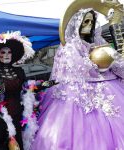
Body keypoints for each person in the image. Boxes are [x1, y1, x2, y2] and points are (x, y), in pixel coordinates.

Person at [30, 8, 124, 150]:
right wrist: (96, 64)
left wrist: (110, 61)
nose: (89, 25)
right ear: (77, 23)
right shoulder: (69, 47)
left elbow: (115, 62)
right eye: (85, 21)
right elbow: (75, 69)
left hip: (108, 89)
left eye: (92, 22)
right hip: (75, 94)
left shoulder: (98, 43)